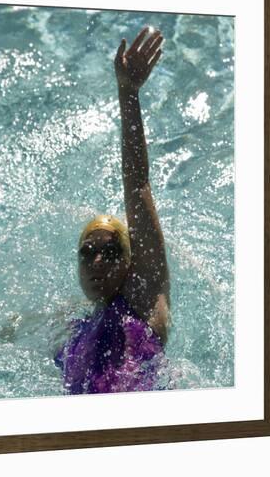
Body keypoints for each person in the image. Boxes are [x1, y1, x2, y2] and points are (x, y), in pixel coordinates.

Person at [55, 26, 171, 394]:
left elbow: (137, 182)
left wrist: (128, 93)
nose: (98, 262)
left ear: (130, 259)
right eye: (88, 253)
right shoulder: (76, 329)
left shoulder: (143, 298)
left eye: (110, 251)